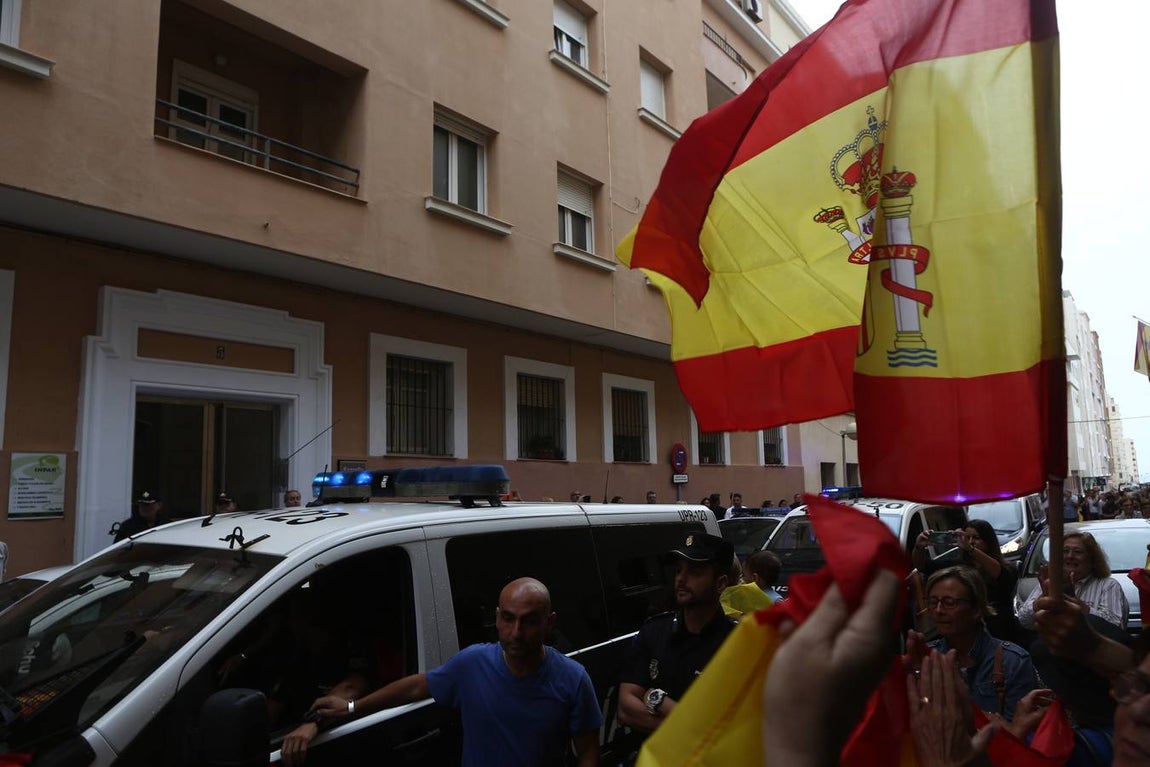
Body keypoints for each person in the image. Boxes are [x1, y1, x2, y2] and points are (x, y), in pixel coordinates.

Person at [307, 577, 601, 767]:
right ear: (497, 618)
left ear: (549, 623)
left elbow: (588, 753)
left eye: (529, 622)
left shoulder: (573, 679)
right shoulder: (472, 664)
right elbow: (416, 687)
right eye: (508, 619)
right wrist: (351, 706)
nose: (516, 632)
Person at [618, 533, 736, 736]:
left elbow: (728, 729)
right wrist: (687, 732)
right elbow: (625, 708)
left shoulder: (737, 643)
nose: (681, 579)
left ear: (720, 583)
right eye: (679, 570)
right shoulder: (655, 631)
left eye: (694, 572)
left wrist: (656, 699)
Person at [924, 566, 1037, 719]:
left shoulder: (1012, 662)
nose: (938, 610)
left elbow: (1021, 732)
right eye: (933, 602)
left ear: (976, 609)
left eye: (949, 602)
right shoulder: (926, 657)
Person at [914, 519, 1022, 643]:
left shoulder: (1004, 568)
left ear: (988, 541)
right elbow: (923, 566)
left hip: (998, 634)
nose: (970, 541)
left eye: (976, 538)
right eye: (967, 537)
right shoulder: (958, 566)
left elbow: (1001, 575)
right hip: (967, 633)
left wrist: (970, 549)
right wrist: (919, 547)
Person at [1017, 531, 1129, 631]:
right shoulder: (1050, 583)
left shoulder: (1108, 585)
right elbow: (1024, 621)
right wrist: (1041, 600)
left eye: (1078, 552)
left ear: (1092, 558)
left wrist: (1081, 608)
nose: (1070, 556)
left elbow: (1115, 627)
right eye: (1065, 551)